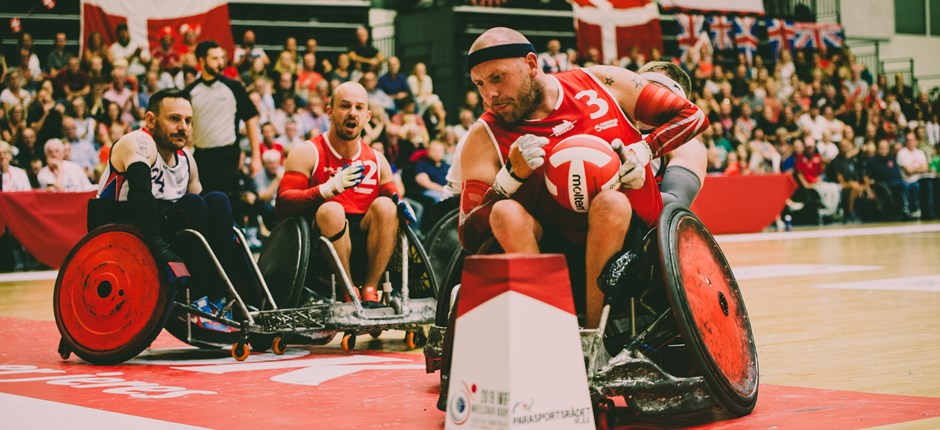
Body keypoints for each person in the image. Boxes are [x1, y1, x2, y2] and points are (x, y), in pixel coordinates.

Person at [458, 27, 709, 332]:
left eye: (497, 78)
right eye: (479, 84)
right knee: (505, 211)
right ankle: (552, 327)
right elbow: (468, 236)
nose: (489, 95)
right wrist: (509, 179)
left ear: (531, 64)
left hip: (633, 244)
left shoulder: (600, 81)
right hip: (552, 247)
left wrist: (644, 150)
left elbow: (693, 116)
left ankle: (593, 336)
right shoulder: (484, 136)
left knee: (611, 203)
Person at [94, 88, 245, 321]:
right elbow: (140, 195)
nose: (183, 127)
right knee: (193, 204)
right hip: (126, 228)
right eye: (174, 119)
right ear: (151, 120)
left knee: (218, 200)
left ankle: (219, 297)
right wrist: (161, 247)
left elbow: (208, 216)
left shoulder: (187, 160)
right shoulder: (138, 142)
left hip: (165, 225)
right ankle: (197, 298)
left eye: (188, 121)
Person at [276, 82, 403, 307]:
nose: (352, 112)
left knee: (387, 206)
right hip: (320, 248)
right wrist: (326, 190)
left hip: (366, 241)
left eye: (359, 108)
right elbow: (283, 203)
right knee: (332, 209)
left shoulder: (377, 159)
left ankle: (371, 290)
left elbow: (394, 200)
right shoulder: (308, 152)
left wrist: (401, 204)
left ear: (367, 116)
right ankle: (348, 290)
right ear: (330, 112)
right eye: (345, 106)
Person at [184, 40, 261, 194]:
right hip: (201, 156)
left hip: (228, 156)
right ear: (201, 60)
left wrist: (256, 157)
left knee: (222, 202)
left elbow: (251, 119)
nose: (220, 63)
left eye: (222, 58)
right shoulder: (191, 91)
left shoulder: (234, 87)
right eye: (215, 58)